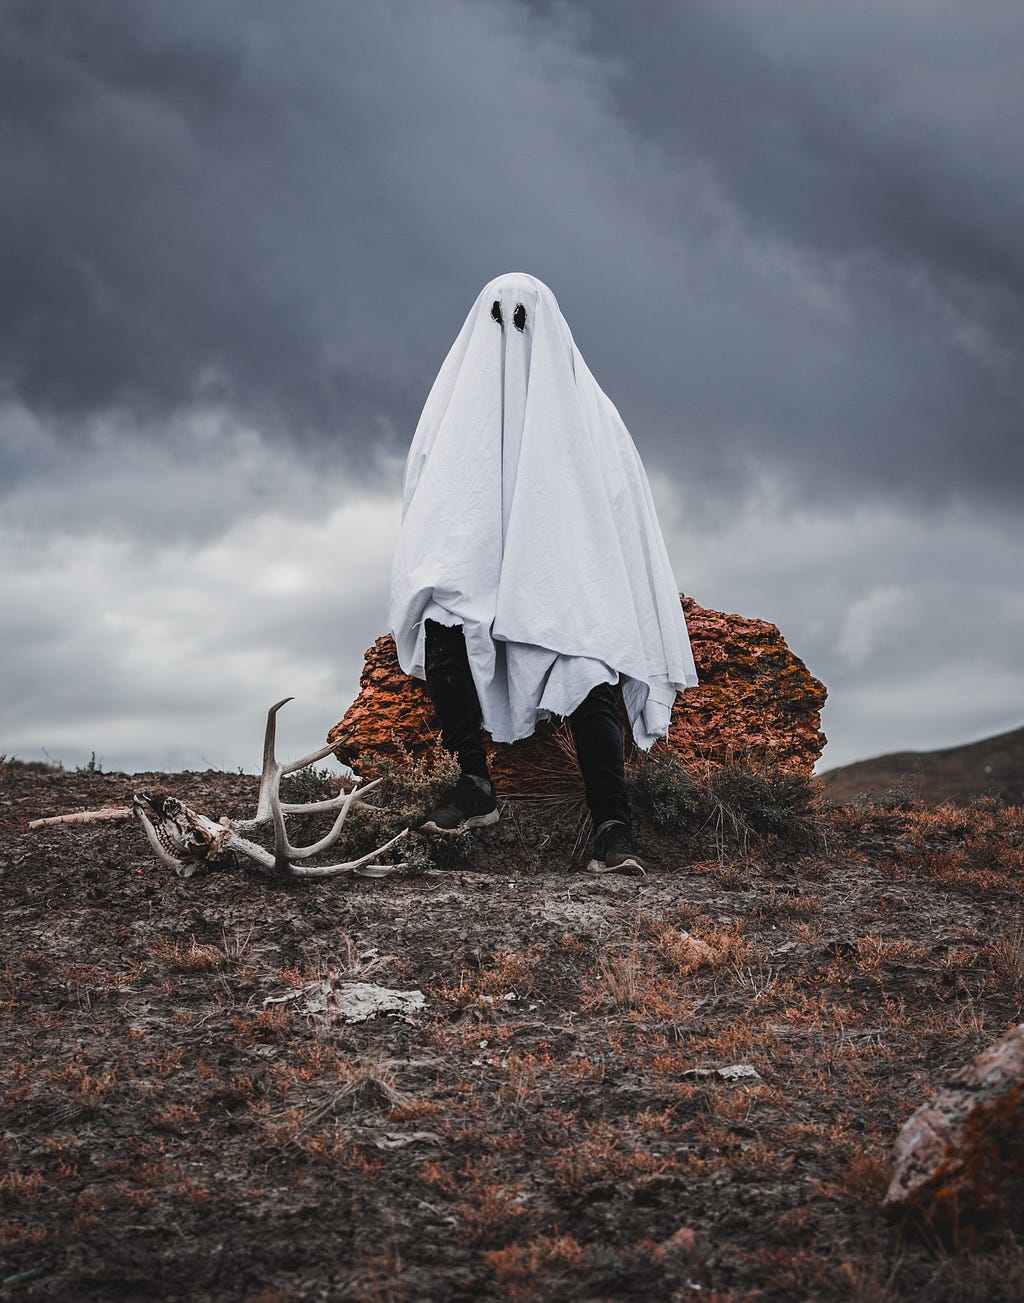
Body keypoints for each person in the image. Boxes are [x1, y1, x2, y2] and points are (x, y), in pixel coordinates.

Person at [388, 273, 697, 872]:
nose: (510, 338)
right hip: (477, 590)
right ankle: (474, 785)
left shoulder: (594, 420)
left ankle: (613, 828)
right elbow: (430, 516)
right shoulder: (453, 418)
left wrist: (569, 593)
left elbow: (622, 518)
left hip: (563, 594)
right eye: (498, 321)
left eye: (524, 321)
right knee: (442, 622)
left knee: (587, 662)